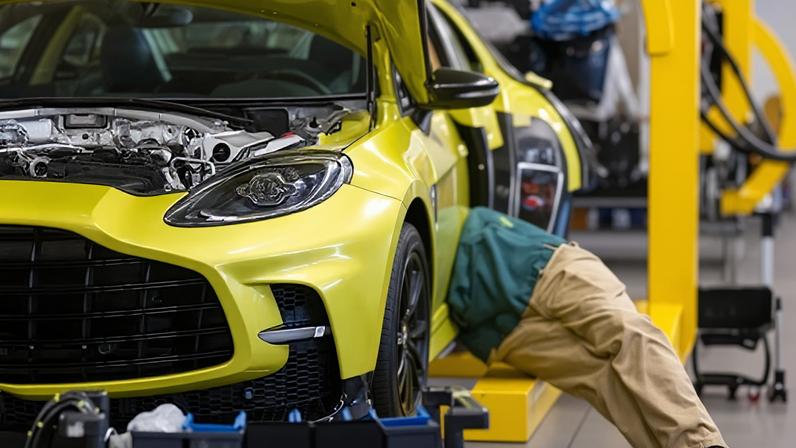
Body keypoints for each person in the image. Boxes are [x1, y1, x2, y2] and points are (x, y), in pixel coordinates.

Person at [447, 207, 727, 448]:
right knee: (605, 383)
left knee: (628, 334)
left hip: (546, 269)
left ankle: (703, 445)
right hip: (500, 331)